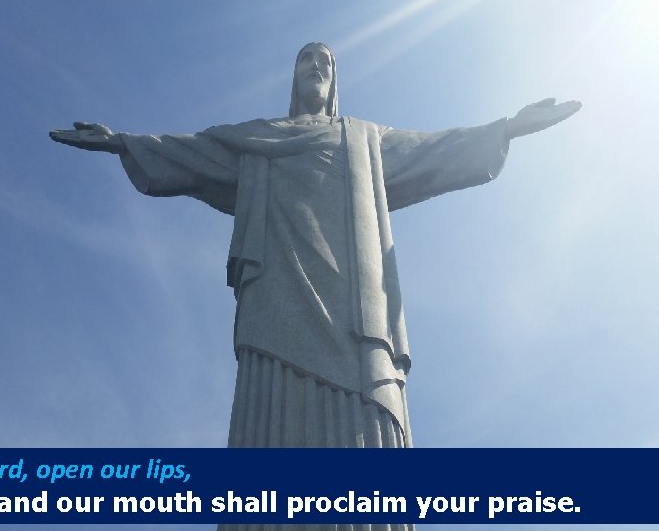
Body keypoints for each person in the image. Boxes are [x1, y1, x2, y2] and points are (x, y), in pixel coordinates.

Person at [50, 42, 580, 450]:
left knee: (371, 424)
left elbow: (435, 149)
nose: (316, 66)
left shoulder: (365, 140)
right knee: (270, 424)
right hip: (275, 299)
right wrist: (122, 142)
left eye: (325, 61)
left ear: (334, 80)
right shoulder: (258, 139)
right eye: (307, 59)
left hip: (356, 312)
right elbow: (191, 152)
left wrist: (507, 128)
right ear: (294, 75)